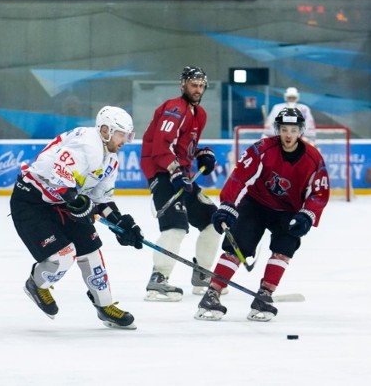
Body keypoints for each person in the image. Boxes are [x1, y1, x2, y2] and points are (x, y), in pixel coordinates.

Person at [11, 106, 143, 330]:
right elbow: (59, 177)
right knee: (64, 255)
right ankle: (36, 284)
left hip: (61, 204)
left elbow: (100, 200)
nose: (125, 141)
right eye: (122, 134)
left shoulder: (110, 160)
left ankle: (105, 306)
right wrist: (77, 202)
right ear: (105, 130)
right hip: (32, 202)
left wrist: (121, 224)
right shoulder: (87, 143)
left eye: (127, 135)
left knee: (91, 251)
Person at [195, 107, 329, 322]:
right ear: (278, 129)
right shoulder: (262, 148)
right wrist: (228, 205)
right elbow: (239, 177)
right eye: (284, 129)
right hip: (256, 205)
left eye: (293, 130)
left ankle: (264, 294)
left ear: (300, 131)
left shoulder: (313, 158)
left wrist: (307, 215)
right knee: (236, 247)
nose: (288, 135)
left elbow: (319, 193)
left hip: (289, 211)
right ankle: (212, 293)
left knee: (284, 248)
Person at [140, 65, 221, 302]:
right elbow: (161, 147)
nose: (197, 89)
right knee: (175, 226)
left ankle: (202, 275)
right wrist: (175, 171)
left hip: (180, 174)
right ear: (183, 85)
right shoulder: (175, 108)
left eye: (200, 85)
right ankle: (158, 280)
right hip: (162, 173)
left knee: (213, 221)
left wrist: (202, 153)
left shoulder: (200, 113)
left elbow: (184, 147)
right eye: (193, 85)